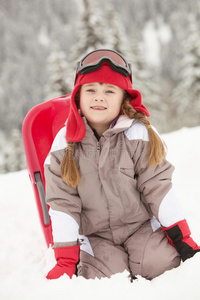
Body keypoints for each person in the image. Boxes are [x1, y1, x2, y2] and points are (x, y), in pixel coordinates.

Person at [44, 49, 200, 281]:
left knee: (163, 264)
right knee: (103, 280)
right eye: (91, 90)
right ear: (77, 96)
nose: (99, 97)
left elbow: (158, 187)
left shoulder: (139, 135)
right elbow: (62, 204)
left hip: (141, 227)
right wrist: (66, 259)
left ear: (123, 99)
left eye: (109, 90)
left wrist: (182, 237)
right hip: (95, 236)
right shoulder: (63, 145)